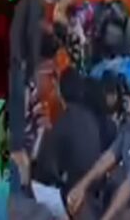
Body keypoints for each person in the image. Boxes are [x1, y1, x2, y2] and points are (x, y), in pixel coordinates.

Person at [67, 67, 130, 220]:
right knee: (77, 203)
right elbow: (109, 157)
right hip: (121, 201)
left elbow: (128, 187)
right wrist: (82, 186)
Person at [35, 68, 102, 209]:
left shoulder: (63, 119)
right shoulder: (90, 118)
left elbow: (45, 167)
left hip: (72, 196)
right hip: (93, 191)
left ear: (60, 91)